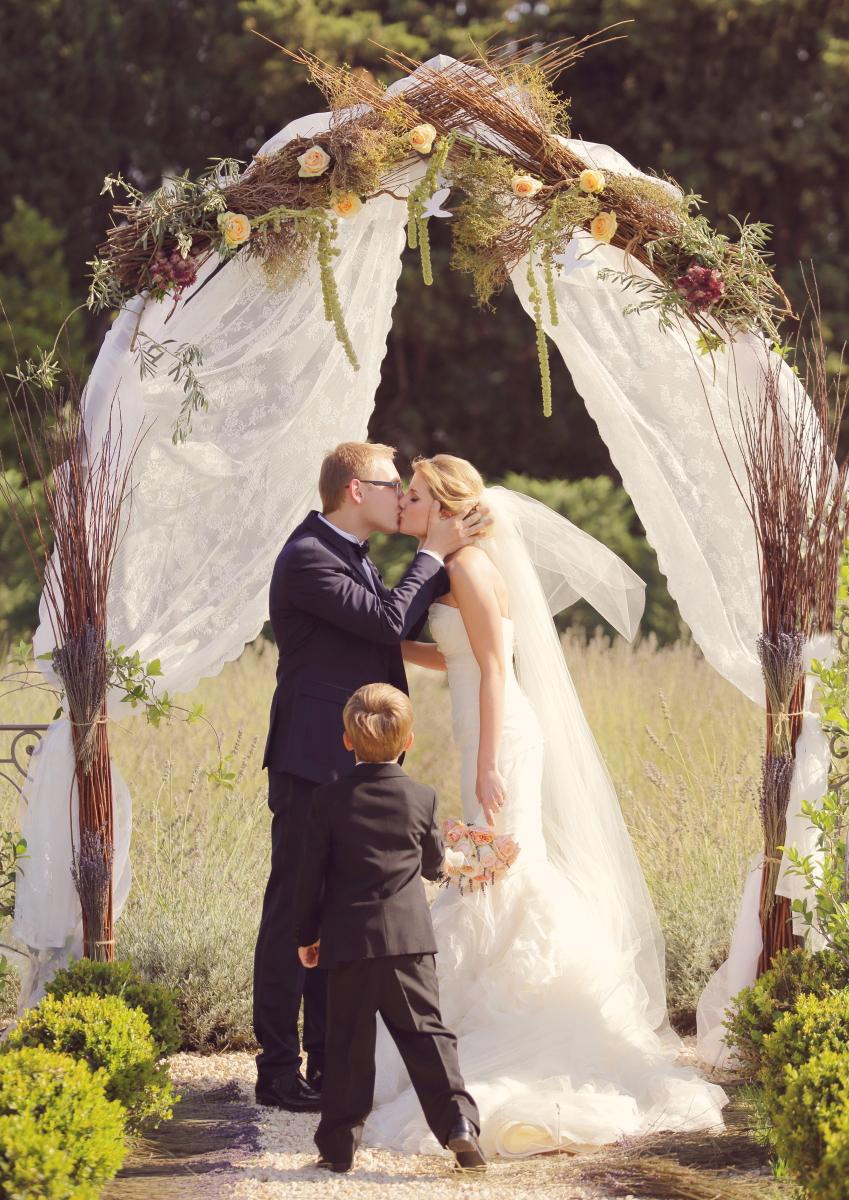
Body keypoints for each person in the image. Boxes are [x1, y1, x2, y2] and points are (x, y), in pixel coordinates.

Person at [364, 455, 728, 1158]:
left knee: (494, 874)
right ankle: (466, 1008)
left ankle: (503, 1011)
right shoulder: (460, 566)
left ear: (441, 506)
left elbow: (497, 667)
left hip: (498, 740)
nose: (403, 505)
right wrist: (396, 646)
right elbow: (466, 653)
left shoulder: (467, 566)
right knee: (488, 875)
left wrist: (485, 763)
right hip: (484, 729)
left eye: (412, 496)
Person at [253, 441, 489, 1111]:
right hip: (310, 763)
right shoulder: (306, 558)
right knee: (290, 917)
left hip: (353, 764)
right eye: (392, 485)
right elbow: (388, 621)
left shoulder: (352, 555)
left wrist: (457, 563)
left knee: (339, 915)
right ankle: (275, 1073)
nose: (400, 497)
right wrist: (432, 556)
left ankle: (326, 1063)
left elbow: (399, 625)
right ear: (356, 490)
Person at [294, 683, 484, 1174]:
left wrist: (306, 936)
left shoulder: (328, 800)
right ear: (409, 740)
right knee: (428, 1035)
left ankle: (338, 1148)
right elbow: (432, 865)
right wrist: (455, 855)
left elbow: (309, 876)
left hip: (349, 942)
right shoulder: (421, 797)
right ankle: (459, 1124)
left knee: (348, 1044)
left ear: (346, 740)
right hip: (408, 942)